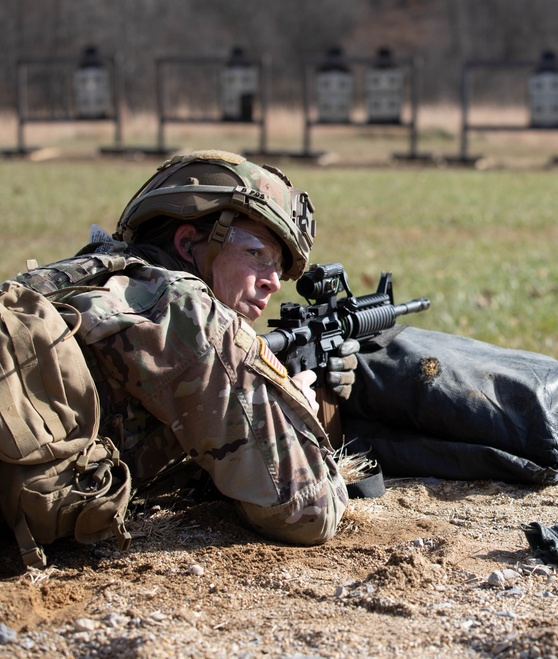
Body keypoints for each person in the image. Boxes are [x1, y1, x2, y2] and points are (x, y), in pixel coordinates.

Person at [12, 149, 356, 546]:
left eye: (278, 268)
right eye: (256, 254)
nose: (273, 282)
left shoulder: (84, 279)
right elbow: (306, 511)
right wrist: (296, 414)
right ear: (189, 242)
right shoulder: (183, 308)